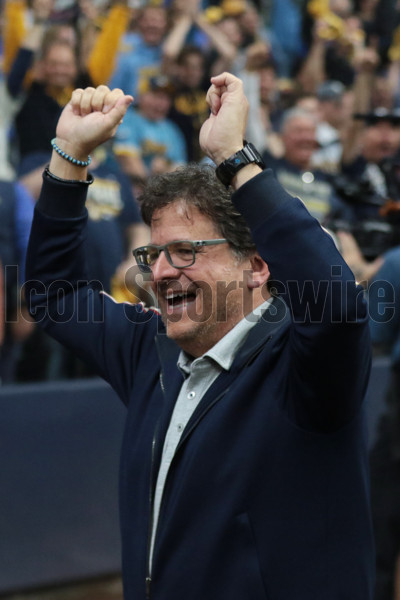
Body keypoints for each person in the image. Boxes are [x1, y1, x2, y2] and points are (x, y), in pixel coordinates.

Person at [25, 74, 374, 598]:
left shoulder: (303, 366)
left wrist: (234, 156)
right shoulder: (153, 347)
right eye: (154, 253)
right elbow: (55, 296)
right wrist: (70, 156)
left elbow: (336, 302)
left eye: (187, 251)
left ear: (257, 266)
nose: (161, 272)